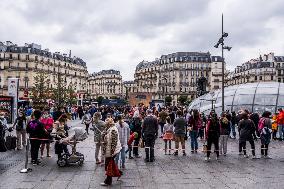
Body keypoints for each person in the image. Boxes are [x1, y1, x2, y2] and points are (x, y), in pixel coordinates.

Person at [101, 118, 122, 186]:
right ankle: (119, 173)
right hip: (109, 150)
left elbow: (114, 142)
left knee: (108, 166)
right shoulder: (108, 129)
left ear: (108, 124)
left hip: (111, 151)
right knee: (111, 164)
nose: (105, 125)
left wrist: (112, 152)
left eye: (106, 123)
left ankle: (108, 181)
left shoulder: (113, 130)